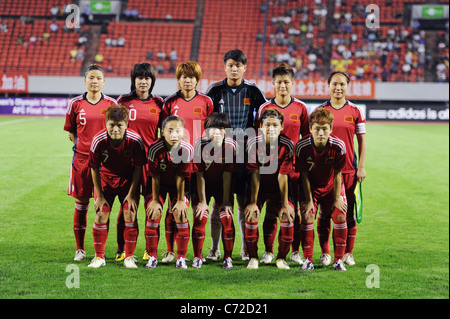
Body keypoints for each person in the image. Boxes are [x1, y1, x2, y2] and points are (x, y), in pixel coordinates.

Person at [205, 49, 267, 261]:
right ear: (225, 67)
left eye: (238, 65)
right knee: (219, 203)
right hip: (219, 154)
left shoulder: (253, 91)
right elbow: (207, 122)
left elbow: (263, 121)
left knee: (242, 201)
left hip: (244, 155)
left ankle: (242, 248)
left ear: (244, 68)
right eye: (230, 65)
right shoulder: (214, 90)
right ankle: (214, 249)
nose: (234, 68)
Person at [256, 63, 309, 265]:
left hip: (294, 170)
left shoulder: (301, 108)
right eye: (279, 82)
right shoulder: (265, 108)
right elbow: (257, 136)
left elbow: (306, 139)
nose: (283, 85)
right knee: (270, 211)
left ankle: (294, 251)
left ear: (293, 83)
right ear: (273, 84)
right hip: (269, 169)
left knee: (292, 210)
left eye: (286, 82)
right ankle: (269, 251)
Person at [160, 61, 213, 262]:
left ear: (197, 80)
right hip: (177, 162)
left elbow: (210, 132)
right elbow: (164, 132)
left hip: (199, 162)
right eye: (184, 77)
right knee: (173, 208)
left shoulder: (206, 102)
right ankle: (170, 251)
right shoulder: (170, 103)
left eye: (191, 77)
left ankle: (197, 255)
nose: (187, 81)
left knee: (199, 207)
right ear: (178, 80)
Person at [64, 64, 117, 262]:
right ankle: (80, 249)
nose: (94, 81)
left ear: (104, 82)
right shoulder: (75, 104)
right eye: (91, 78)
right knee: (81, 204)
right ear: (84, 81)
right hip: (81, 161)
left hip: (104, 163)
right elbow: (71, 132)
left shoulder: (111, 104)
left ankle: (100, 251)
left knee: (103, 206)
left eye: (98, 78)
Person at [87, 105, 147, 269]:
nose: (115, 129)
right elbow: (94, 167)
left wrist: (132, 193)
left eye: (119, 125)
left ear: (126, 125)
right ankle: (99, 257)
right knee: (101, 215)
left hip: (128, 181)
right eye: (111, 125)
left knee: (130, 214)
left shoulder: (135, 140)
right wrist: (99, 195)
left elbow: (138, 167)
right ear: (105, 124)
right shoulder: (98, 140)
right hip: (106, 181)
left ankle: (129, 257)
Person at [316, 71, 366, 266]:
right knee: (325, 212)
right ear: (328, 86)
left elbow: (362, 142)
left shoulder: (355, 111)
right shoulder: (321, 111)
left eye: (342, 84)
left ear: (347, 86)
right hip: (325, 172)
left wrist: (361, 167)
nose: (338, 88)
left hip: (348, 171)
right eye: (334, 84)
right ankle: (325, 253)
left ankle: (348, 252)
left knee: (349, 212)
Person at [117, 62, 164, 262]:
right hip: (129, 164)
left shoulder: (159, 103)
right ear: (133, 80)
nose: (143, 82)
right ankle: (122, 249)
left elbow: (165, 133)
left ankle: (149, 249)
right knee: (127, 207)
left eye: (147, 78)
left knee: (152, 207)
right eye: (140, 78)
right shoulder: (123, 101)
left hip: (152, 163)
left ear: (152, 81)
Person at [295, 107, 348, 271]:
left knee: (339, 217)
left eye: (325, 128)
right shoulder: (302, 146)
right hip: (311, 187)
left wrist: (337, 197)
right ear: (310, 128)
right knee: (307, 216)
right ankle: (308, 260)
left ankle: (338, 259)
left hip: (333, 186)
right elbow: (303, 175)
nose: (321, 132)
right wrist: (309, 200)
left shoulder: (339, 146)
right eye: (317, 128)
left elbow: (338, 173)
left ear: (331, 129)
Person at [244, 108, 295, 270]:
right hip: (258, 189)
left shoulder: (288, 145)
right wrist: (252, 202)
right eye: (267, 125)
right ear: (260, 126)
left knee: (287, 217)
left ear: (281, 127)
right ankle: (253, 257)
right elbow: (255, 173)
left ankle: (281, 258)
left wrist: (285, 203)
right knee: (251, 216)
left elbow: (283, 175)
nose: (271, 129)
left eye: (275, 125)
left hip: (280, 190)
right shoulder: (252, 143)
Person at [145, 116, 194, 269]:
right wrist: (154, 200)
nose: (174, 134)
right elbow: (155, 176)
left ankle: (181, 257)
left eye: (178, 131)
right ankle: (152, 256)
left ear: (183, 132)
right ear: (162, 132)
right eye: (170, 130)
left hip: (179, 187)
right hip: (158, 186)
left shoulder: (187, 149)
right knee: (153, 214)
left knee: (180, 215)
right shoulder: (154, 149)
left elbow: (182, 177)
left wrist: (180, 201)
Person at [192, 112, 238, 269]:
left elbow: (227, 175)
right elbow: (199, 174)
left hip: (222, 187)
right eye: (213, 128)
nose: (217, 132)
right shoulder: (200, 145)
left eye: (221, 128)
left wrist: (225, 201)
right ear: (206, 130)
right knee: (200, 216)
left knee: (227, 217)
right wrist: (203, 201)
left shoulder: (231, 146)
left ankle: (228, 257)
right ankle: (197, 256)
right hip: (202, 186)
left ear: (226, 131)